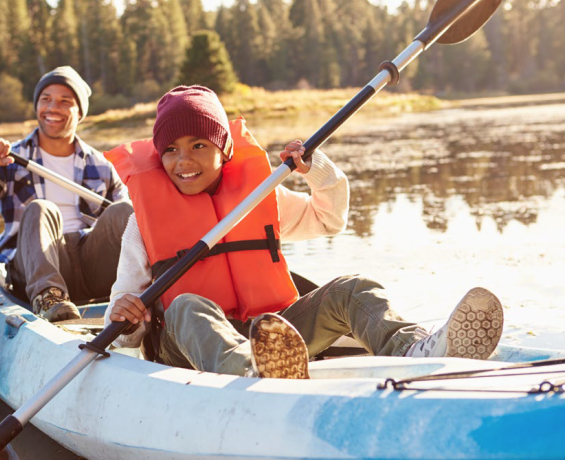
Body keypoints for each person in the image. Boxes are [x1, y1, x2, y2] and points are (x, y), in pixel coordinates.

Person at [103, 85, 503, 378]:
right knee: (187, 304)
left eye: (198, 145)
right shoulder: (144, 224)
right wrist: (127, 317)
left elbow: (329, 218)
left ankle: (415, 350)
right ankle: (251, 374)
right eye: (170, 150)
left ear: (224, 150)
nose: (183, 160)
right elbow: (123, 322)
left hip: (273, 335)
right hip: (185, 347)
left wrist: (317, 171)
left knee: (353, 288)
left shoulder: (257, 199)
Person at [0, 66, 133, 322]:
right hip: (33, 268)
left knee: (125, 212)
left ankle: (145, 298)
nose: (52, 107)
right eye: (45, 99)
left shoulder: (101, 166)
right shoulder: (10, 159)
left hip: (90, 266)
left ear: (80, 113)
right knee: (41, 208)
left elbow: (129, 229)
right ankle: (49, 298)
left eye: (65, 101)